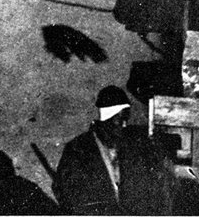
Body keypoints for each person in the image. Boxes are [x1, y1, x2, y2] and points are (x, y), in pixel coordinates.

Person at [53, 86, 171, 215]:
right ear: (107, 120)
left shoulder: (133, 146)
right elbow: (63, 191)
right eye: (121, 120)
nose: (125, 125)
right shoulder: (78, 149)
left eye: (126, 119)